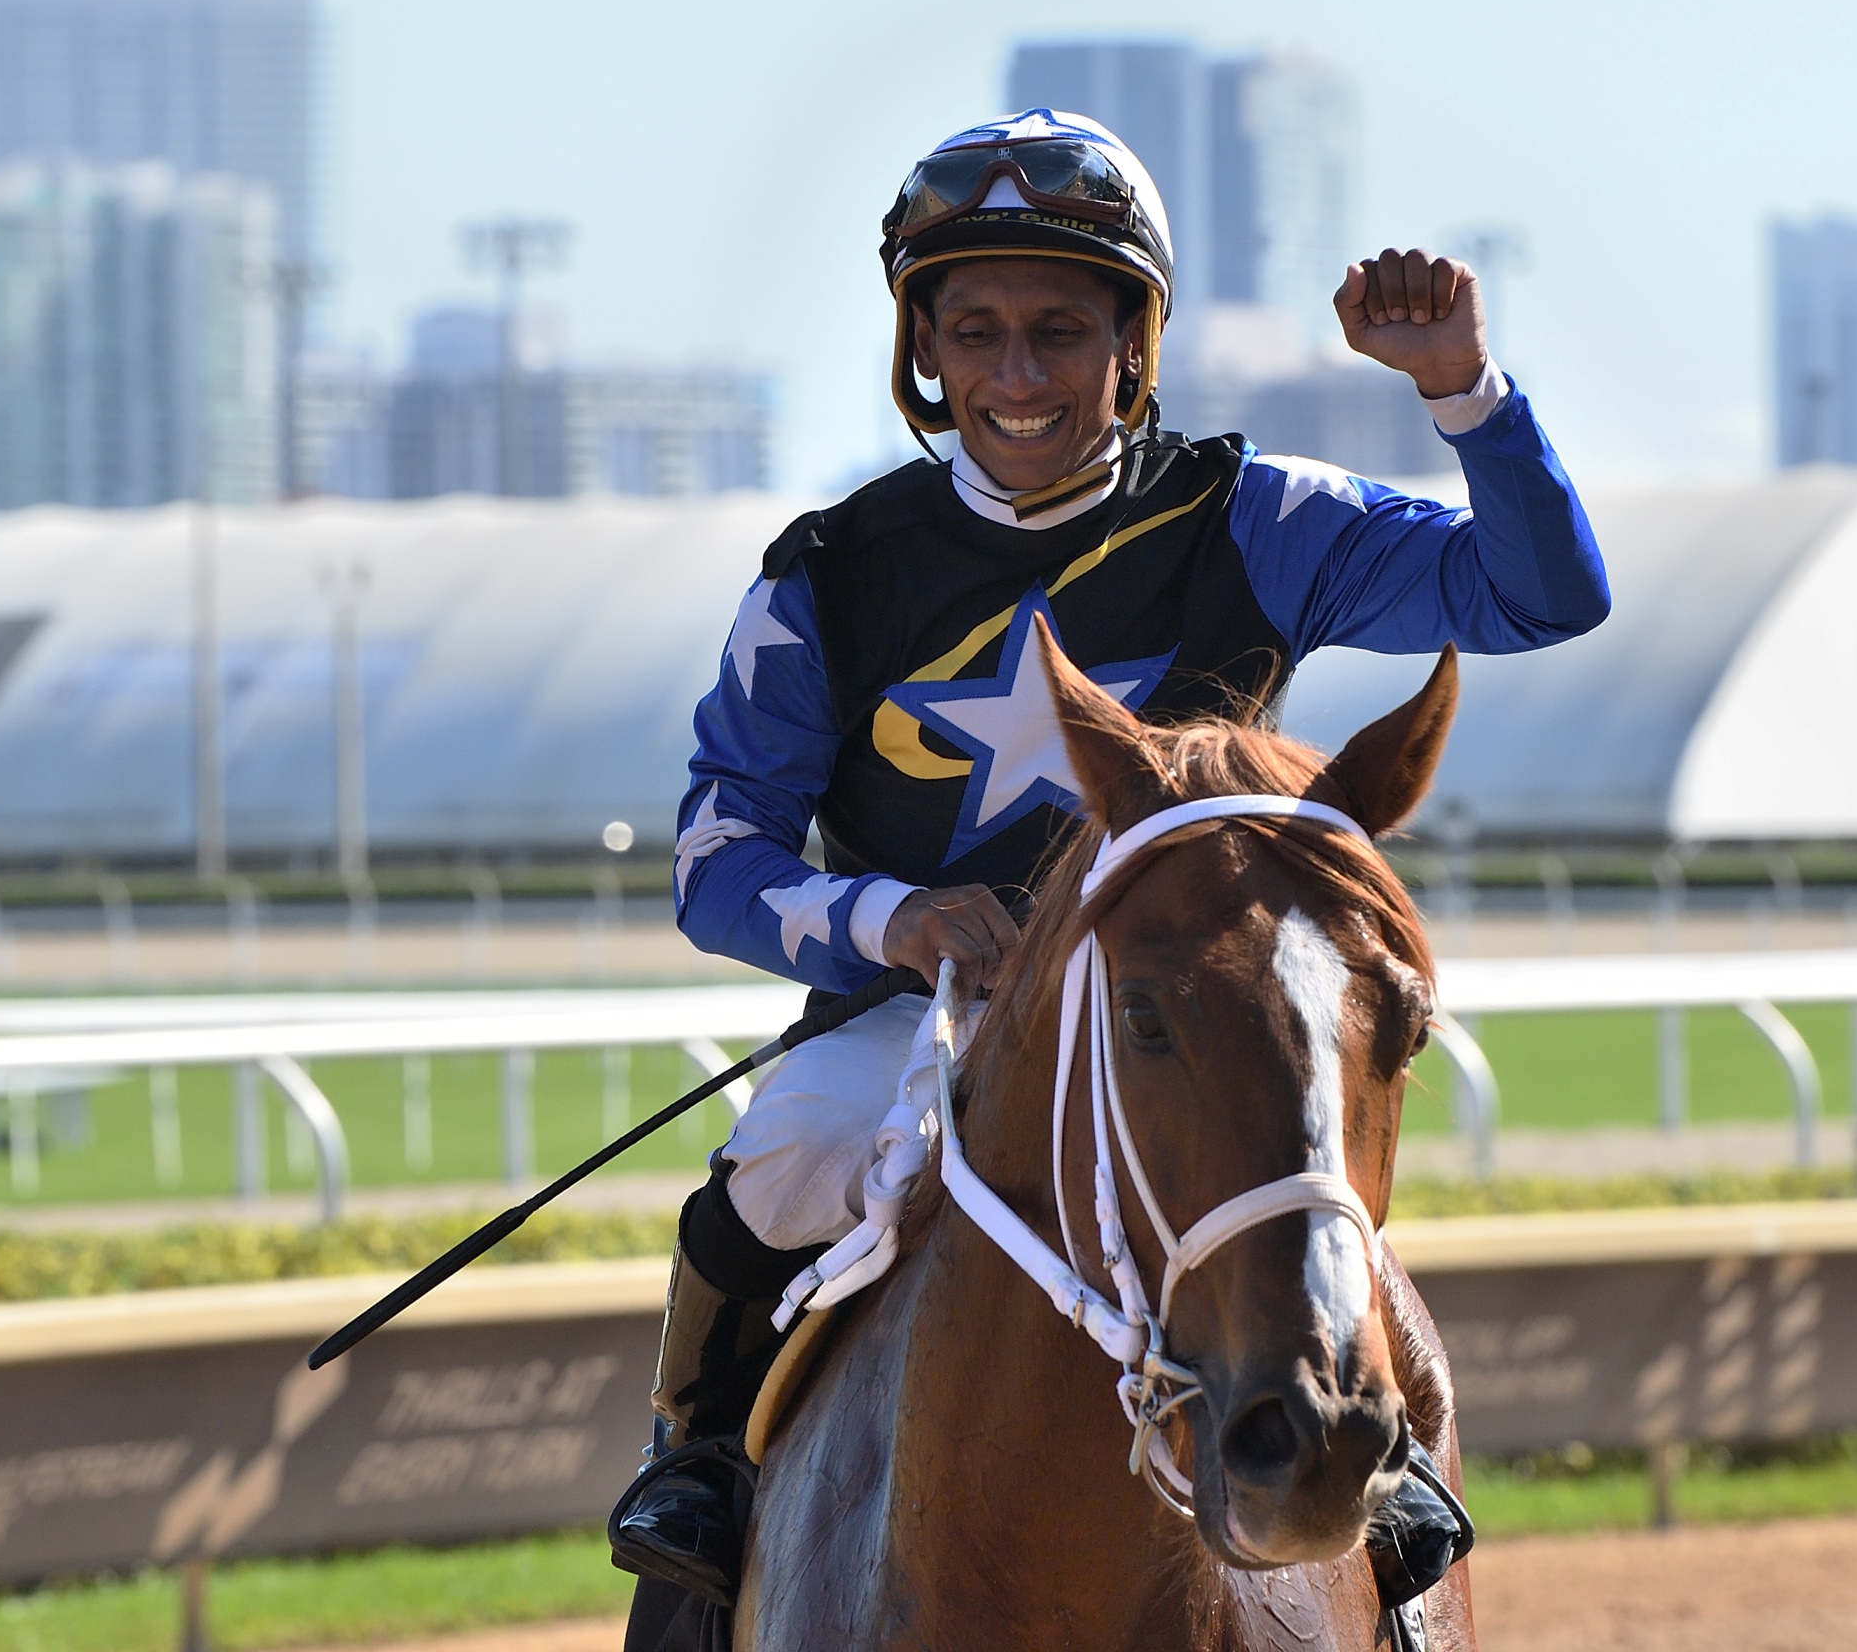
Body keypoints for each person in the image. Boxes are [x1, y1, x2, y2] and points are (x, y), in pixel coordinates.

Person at [615, 108, 1609, 1608]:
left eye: (1062, 331)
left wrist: (1464, 390)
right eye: (980, 332)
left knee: (1324, 1238)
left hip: (1190, 1008)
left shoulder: (1258, 516)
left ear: (1130, 343)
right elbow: (715, 860)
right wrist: (896, 921)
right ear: (926, 350)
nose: (1019, 376)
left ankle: (1385, 1503)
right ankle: (699, 1477)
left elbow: (1543, 597)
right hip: (922, 1022)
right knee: (776, 1171)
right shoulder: (829, 572)